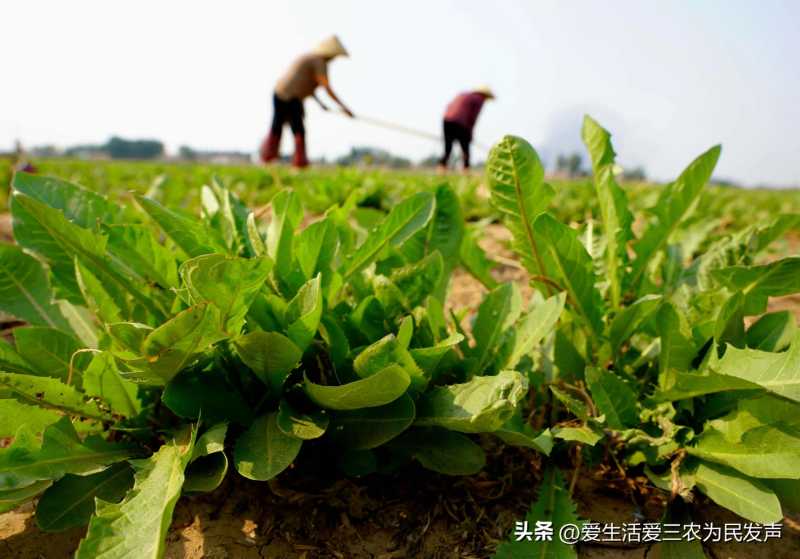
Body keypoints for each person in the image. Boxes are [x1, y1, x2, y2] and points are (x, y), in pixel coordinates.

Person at [259, 35, 354, 168]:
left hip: (279, 92)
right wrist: (345, 108)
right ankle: (298, 162)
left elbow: (308, 86)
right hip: (291, 97)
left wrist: (321, 104)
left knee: (277, 126)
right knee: (297, 129)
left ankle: (268, 158)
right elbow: (327, 88)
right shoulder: (319, 62)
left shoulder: (309, 58)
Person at [438, 86, 494, 171]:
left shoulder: (463, 94)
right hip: (461, 122)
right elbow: (472, 117)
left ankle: (442, 168)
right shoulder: (479, 99)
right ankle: (466, 170)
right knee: (465, 148)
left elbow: (449, 106)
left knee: (448, 147)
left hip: (447, 119)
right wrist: (470, 134)